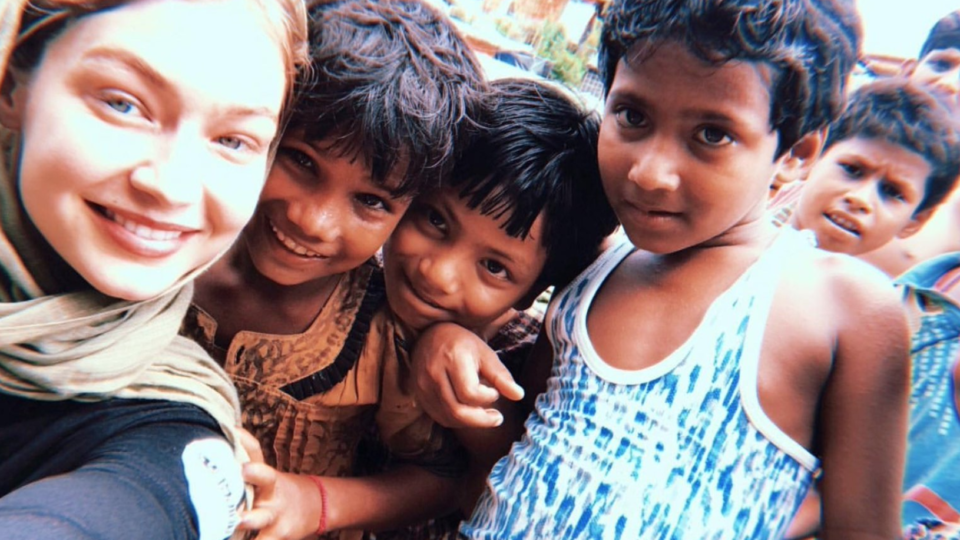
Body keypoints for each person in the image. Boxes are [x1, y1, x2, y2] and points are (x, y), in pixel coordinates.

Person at [416, 0, 914, 537]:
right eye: (633, 116)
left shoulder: (843, 309)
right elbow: (517, 451)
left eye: (712, 135)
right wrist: (450, 350)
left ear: (796, 151)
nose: (651, 173)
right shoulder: (591, 273)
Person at [0, 0, 308, 539]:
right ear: (13, 86)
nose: (172, 185)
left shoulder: (176, 432)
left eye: (233, 141)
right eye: (123, 104)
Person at [184, 1, 489, 538]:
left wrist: (315, 504)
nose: (313, 221)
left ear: (408, 213)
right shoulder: (167, 244)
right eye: (301, 160)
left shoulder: (381, 331)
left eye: (371, 202)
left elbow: (442, 476)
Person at [774, 77, 960, 256]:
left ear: (914, 221)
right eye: (852, 170)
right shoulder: (747, 240)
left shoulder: (871, 288)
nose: (860, 199)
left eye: (893, 192)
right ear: (810, 158)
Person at [858, 9, 960, 277]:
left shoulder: (955, 208)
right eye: (941, 65)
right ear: (908, 71)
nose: (950, 84)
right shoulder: (835, 138)